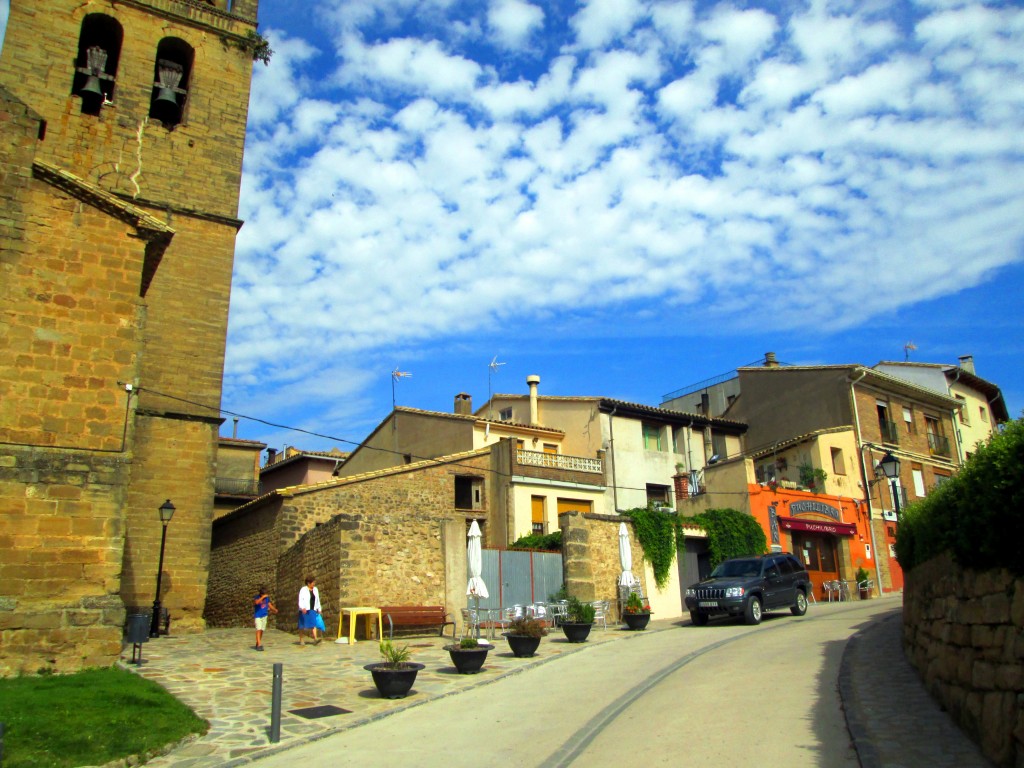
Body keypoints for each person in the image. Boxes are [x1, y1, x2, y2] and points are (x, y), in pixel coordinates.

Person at [297, 576, 322, 645]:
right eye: (313, 582)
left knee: (313, 624)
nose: (314, 584)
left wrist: (319, 608)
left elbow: (317, 599)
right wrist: (302, 607)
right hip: (305, 609)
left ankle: (315, 639)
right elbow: (301, 599)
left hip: (312, 609)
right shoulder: (303, 589)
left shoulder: (315, 589)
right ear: (308, 583)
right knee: (302, 624)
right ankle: (301, 639)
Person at [253, 585, 278, 651]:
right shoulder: (257, 597)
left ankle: (258, 642)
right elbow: (256, 602)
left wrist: (274, 610)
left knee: (262, 630)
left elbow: (269, 605)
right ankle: (259, 645)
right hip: (258, 616)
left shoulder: (267, 599)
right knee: (258, 629)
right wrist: (262, 597)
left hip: (264, 615)